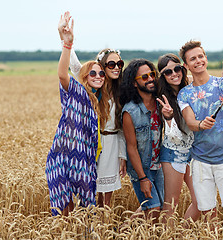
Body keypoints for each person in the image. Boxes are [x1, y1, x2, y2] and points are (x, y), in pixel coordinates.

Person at [177, 40, 223, 234]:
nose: (198, 61)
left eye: (201, 56)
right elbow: (190, 122)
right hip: (200, 162)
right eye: (193, 59)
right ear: (186, 65)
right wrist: (201, 125)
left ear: (205, 58)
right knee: (209, 214)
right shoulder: (185, 94)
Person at [59, 11, 127, 208]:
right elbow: (72, 67)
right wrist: (64, 39)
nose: (116, 67)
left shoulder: (122, 91)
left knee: (106, 196)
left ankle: (103, 226)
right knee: (87, 190)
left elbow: (122, 127)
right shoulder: (92, 86)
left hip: (112, 144)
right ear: (102, 66)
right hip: (90, 144)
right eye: (111, 64)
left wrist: (122, 156)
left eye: (119, 64)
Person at [46, 13, 109, 216]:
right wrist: (66, 44)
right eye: (93, 73)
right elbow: (63, 74)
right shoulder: (76, 91)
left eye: (101, 73)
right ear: (84, 76)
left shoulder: (101, 101)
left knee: (85, 210)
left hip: (85, 159)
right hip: (63, 156)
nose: (98, 76)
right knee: (64, 208)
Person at [155, 53, 200, 224]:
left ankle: (181, 234)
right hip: (173, 154)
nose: (174, 74)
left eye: (177, 69)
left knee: (201, 201)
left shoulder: (189, 89)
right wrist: (168, 118)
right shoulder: (162, 97)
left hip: (191, 153)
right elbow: (173, 135)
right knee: (170, 205)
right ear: (163, 76)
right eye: (168, 72)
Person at [120, 59, 164, 221]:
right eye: (144, 77)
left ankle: (121, 231)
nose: (151, 79)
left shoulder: (161, 103)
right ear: (134, 83)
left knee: (161, 208)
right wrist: (142, 178)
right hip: (141, 167)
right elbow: (131, 147)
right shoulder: (130, 112)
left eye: (152, 75)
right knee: (153, 210)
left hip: (158, 165)